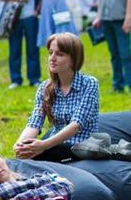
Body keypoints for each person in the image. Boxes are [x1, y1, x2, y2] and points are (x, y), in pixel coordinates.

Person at [14, 33, 99, 162]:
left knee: (38, 155)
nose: (52, 58)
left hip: (82, 147)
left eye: (59, 54)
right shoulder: (45, 88)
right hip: (54, 146)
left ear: (73, 59)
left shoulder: (89, 83)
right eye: (50, 52)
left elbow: (76, 125)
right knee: (27, 152)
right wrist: (20, 145)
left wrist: (44, 145)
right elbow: (34, 123)